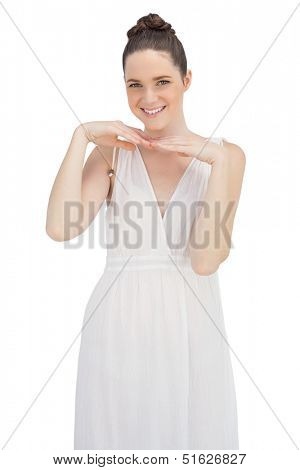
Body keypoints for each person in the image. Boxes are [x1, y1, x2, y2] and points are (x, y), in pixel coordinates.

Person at [46, 12, 246, 450]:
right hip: (117, 327)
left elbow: (205, 259)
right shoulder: (112, 154)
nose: (148, 97)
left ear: (187, 80)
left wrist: (215, 159)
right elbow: (61, 227)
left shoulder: (227, 156)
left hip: (193, 328)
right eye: (134, 85)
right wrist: (81, 138)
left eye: (162, 82)